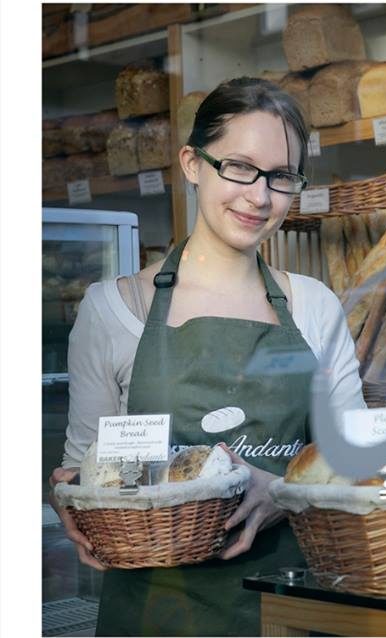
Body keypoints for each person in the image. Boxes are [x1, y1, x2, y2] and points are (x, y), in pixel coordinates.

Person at [47, 77, 366, 636]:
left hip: (287, 609)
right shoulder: (112, 310)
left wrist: (284, 493)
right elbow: (86, 467)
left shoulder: (314, 305)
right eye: (239, 167)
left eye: (281, 177)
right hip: (152, 614)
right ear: (193, 164)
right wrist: (70, 496)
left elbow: (356, 461)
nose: (260, 196)